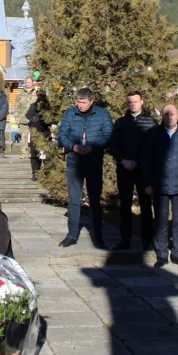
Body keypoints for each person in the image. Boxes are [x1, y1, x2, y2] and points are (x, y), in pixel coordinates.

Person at [140, 104, 178, 268]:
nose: (169, 117)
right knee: (161, 220)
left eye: (172, 114)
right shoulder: (153, 134)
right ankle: (162, 254)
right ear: (162, 116)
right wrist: (147, 183)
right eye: (166, 114)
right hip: (160, 184)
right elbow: (146, 162)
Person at [57, 87, 113, 248]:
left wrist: (94, 147)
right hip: (75, 162)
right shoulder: (70, 114)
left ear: (91, 101)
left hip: (94, 161)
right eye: (79, 102)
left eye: (83, 102)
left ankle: (98, 236)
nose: (80, 105)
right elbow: (62, 135)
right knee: (74, 200)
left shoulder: (102, 115)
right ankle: (72, 235)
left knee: (94, 200)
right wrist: (72, 146)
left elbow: (108, 134)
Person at [109, 91, 158, 251]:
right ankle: (125, 240)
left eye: (135, 101)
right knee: (125, 205)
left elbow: (153, 148)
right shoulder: (121, 123)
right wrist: (123, 161)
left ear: (142, 102)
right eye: (130, 102)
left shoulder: (150, 122)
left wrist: (138, 161)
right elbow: (114, 144)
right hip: (125, 169)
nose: (132, 104)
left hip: (143, 171)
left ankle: (147, 240)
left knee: (145, 205)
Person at [26, 92, 49, 182]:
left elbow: (51, 119)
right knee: (34, 154)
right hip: (34, 133)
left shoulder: (48, 107)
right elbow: (28, 115)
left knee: (46, 155)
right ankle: (35, 173)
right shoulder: (33, 105)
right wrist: (35, 112)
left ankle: (47, 174)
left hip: (45, 133)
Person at [14, 77, 39, 160]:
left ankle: (34, 153)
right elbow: (17, 106)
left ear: (32, 83)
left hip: (33, 119)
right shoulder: (20, 93)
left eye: (29, 82)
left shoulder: (36, 93)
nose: (28, 84)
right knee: (23, 137)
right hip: (23, 118)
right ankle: (24, 153)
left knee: (34, 137)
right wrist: (16, 117)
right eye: (27, 82)